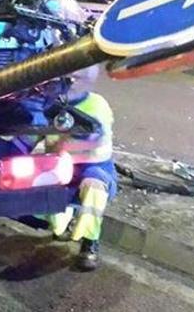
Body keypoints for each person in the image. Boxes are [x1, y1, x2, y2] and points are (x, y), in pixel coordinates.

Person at [17, 65, 118, 271]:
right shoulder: (48, 106)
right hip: (58, 164)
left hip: (93, 166)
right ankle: (58, 226)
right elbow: (32, 134)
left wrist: (69, 130)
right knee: (32, 182)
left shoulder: (97, 104)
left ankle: (90, 242)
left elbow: (98, 140)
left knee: (94, 188)